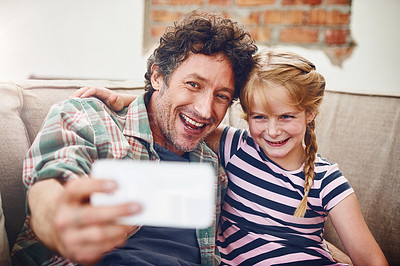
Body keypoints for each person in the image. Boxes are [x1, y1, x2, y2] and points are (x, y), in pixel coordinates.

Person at [81, 49, 388, 265]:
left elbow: (369, 258)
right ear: (246, 115)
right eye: (259, 117)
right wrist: (124, 99)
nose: (273, 131)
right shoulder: (235, 146)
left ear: (309, 113)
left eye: (286, 116)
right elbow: (176, 118)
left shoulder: (327, 179)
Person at [11, 10, 257, 265]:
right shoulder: (89, 118)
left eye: (222, 96)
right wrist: (60, 218)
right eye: (193, 84)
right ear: (158, 76)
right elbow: (52, 180)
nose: (205, 110)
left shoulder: (215, 162)